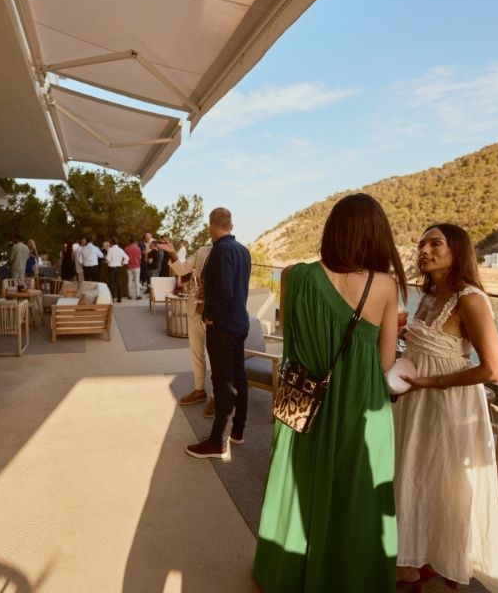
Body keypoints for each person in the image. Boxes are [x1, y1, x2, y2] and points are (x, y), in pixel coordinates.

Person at [253, 193, 406, 591]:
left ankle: (286, 573)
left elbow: (290, 340)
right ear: (376, 236)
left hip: (303, 401)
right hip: (361, 406)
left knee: (298, 480)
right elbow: (386, 362)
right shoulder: (385, 286)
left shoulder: (294, 275)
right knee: (355, 495)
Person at [393, 223, 498, 592]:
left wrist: (434, 382)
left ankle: (433, 559)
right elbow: (432, 346)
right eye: (421, 243)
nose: (424, 250)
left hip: (448, 403)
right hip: (416, 398)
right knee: (415, 477)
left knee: (444, 483)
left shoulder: (469, 299)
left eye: (435, 243)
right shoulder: (428, 295)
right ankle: (415, 558)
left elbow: (496, 369)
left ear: (457, 250)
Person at [186, 208, 250, 459]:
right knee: (239, 378)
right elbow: (236, 287)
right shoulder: (243, 251)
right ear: (230, 224)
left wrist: (210, 316)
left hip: (222, 327)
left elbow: (223, 292)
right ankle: (238, 431)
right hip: (239, 323)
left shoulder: (220, 251)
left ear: (211, 225)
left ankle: (216, 441)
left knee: (222, 383)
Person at [170, 244, 215, 418]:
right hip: (195, 308)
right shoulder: (202, 251)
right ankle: (199, 390)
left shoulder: (229, 252)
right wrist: (172, 253)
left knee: (216, 357)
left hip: (214, 314)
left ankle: (216, 397)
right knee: (196, 353)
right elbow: (181, 270)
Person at [104, 237, 129, 302]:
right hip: (119, 267)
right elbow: (127, 258)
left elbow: (108, 259)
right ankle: (119, 298)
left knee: (111, 283)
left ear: (112, 243)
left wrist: (106, 259)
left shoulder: (110, 249)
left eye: (110, 243)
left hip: (111, 268)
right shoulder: (121, 249)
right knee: (118, 283)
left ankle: (112, 298)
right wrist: (123, 263)